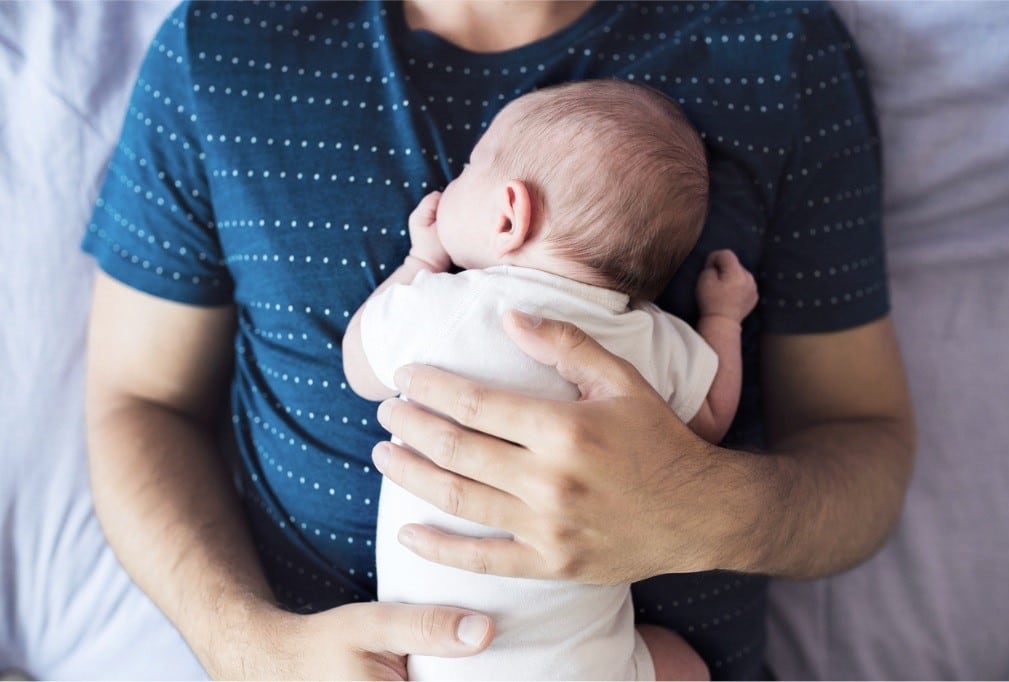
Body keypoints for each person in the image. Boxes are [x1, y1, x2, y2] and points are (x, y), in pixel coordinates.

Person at [81, 1, 914, 679]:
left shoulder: (775, 42)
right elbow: (138, 402)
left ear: (508, 210)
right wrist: (247, 650)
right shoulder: (222, 44)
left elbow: (862, 440)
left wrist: (702, 514)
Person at [342, 79, 758, 680]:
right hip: (590, 666)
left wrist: (420, 263)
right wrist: (723, 317)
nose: (452, 183)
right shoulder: (648, 339)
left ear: (509, 214)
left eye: (468, 170)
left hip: (443, 656)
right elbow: (714, 417)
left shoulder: (445, 306)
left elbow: (359, 368)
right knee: (683, 662)